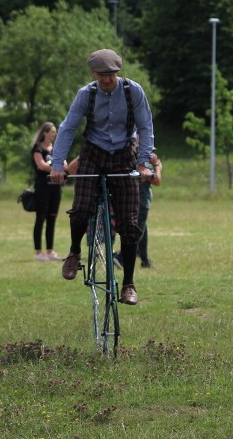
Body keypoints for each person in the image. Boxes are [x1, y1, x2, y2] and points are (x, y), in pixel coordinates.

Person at [50, 49, 155, 306]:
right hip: (94, 153)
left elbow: (145, 126)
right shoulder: (87, 94)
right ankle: (74, 252)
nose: (107, 80)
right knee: (81, 207)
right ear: (93, 74)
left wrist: (143, 163)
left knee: (130, 224)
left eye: (111, 75)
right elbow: (68, 127)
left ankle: (128, 284)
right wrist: (57, 165)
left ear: (118, 73)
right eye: (102, 76)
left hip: (124, 155)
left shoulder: (133, 91)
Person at [114, 147, 162, 269]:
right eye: (152, 153)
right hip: (142, 202)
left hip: (133, 200)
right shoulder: (146, 163)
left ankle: (144, 259)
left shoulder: (132, 160)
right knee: (137, 232)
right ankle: (121, 257)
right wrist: (157, 165)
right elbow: (156, 180)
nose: (154, 155)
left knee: (142, 230)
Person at [30, 122, 67, 261]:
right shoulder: (37, 148)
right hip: (42, 187)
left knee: (52, 217)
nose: (55, 134)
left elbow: (65, 164)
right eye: (52, 131)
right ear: (45, 133)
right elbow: (41, 165)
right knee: (41, 218)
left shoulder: (56, 149)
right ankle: (39, 252)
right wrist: (56, 169)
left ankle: (50, 250)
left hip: (55, 187)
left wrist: (59, 167)